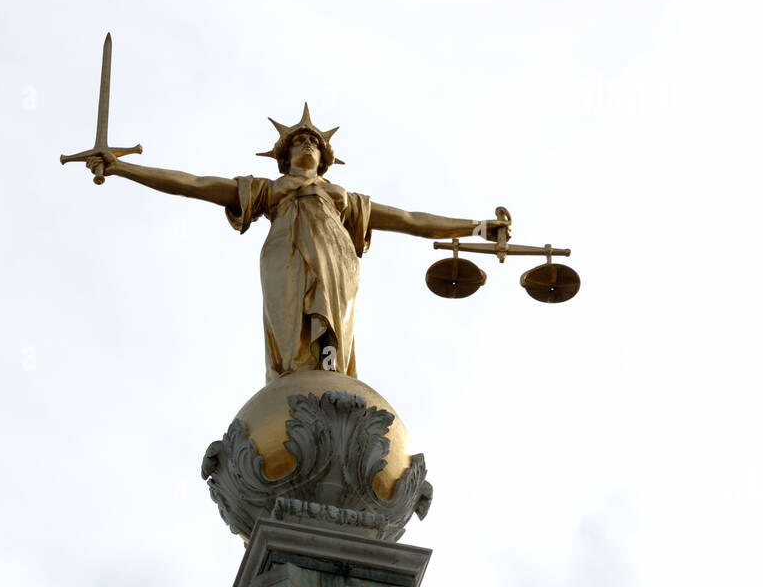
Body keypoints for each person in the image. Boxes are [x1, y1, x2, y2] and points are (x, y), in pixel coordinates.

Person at [88, 105, 503, 382]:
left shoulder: (343, 199)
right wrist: (125, 168)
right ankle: (293, 379)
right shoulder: (270, 191)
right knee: (289, 336)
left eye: (315, 143)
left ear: (325, 158)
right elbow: (195, 185)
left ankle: (329, 366)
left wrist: (477, 227)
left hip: (336, 262)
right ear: (283, 158)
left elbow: (411, 220)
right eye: (299, 142)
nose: (308, 144)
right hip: (284, 258)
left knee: (332, 331)